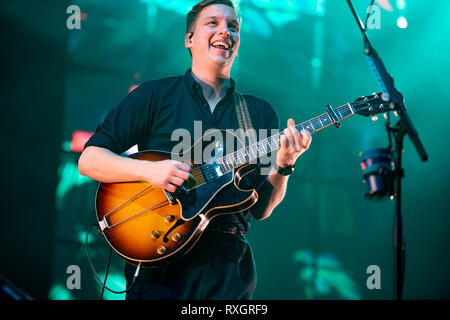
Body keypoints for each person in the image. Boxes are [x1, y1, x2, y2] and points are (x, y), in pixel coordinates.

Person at [78, 0, 312, 300]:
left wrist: (284, 164)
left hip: (227, 270)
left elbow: (261, 209)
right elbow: (89, 159)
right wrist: (151, 170)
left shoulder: (258, 113)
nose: (224, 31)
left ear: (238, 45)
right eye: (212, 23)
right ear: (189, 39)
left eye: (233, 26)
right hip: (160, 263)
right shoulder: (154, 96)